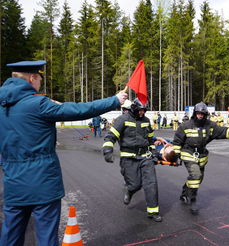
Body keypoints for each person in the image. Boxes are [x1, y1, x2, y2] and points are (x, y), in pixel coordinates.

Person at [0, 60, 127, 245]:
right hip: (43, 184)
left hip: (13, 184)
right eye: (39, 80)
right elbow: (79, 110)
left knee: (10, 238)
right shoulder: (38, 103)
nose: (39, 84)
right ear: (32, 78)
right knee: (46, 238)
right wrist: (114, 100)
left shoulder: (3, 106)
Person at [173, 102, 229, 215]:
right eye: (198, 114)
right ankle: (193, 200)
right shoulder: (185, 126)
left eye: (202, 114)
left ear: (205, 114)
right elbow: (177, 141)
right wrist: (176, 155)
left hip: (201, 155)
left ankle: (184, 193)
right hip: (188, 153)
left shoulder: (209, 125)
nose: (200, 116)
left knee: (198, 178)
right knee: (195, 175)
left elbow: (222, 131)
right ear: (194, 114)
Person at [102, 98, 162, 222]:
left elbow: (150, 140)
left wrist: (154, 153)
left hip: (145, 157)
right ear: (134, 108)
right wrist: (107, 150)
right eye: (140, 110)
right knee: (135, 185)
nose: (142, 113)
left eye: (144, 110)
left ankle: (153, 212)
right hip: (129, 158)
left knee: (151, 183)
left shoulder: (146, 121)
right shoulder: (122, 120)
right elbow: (110, 136)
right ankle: (130, 191)